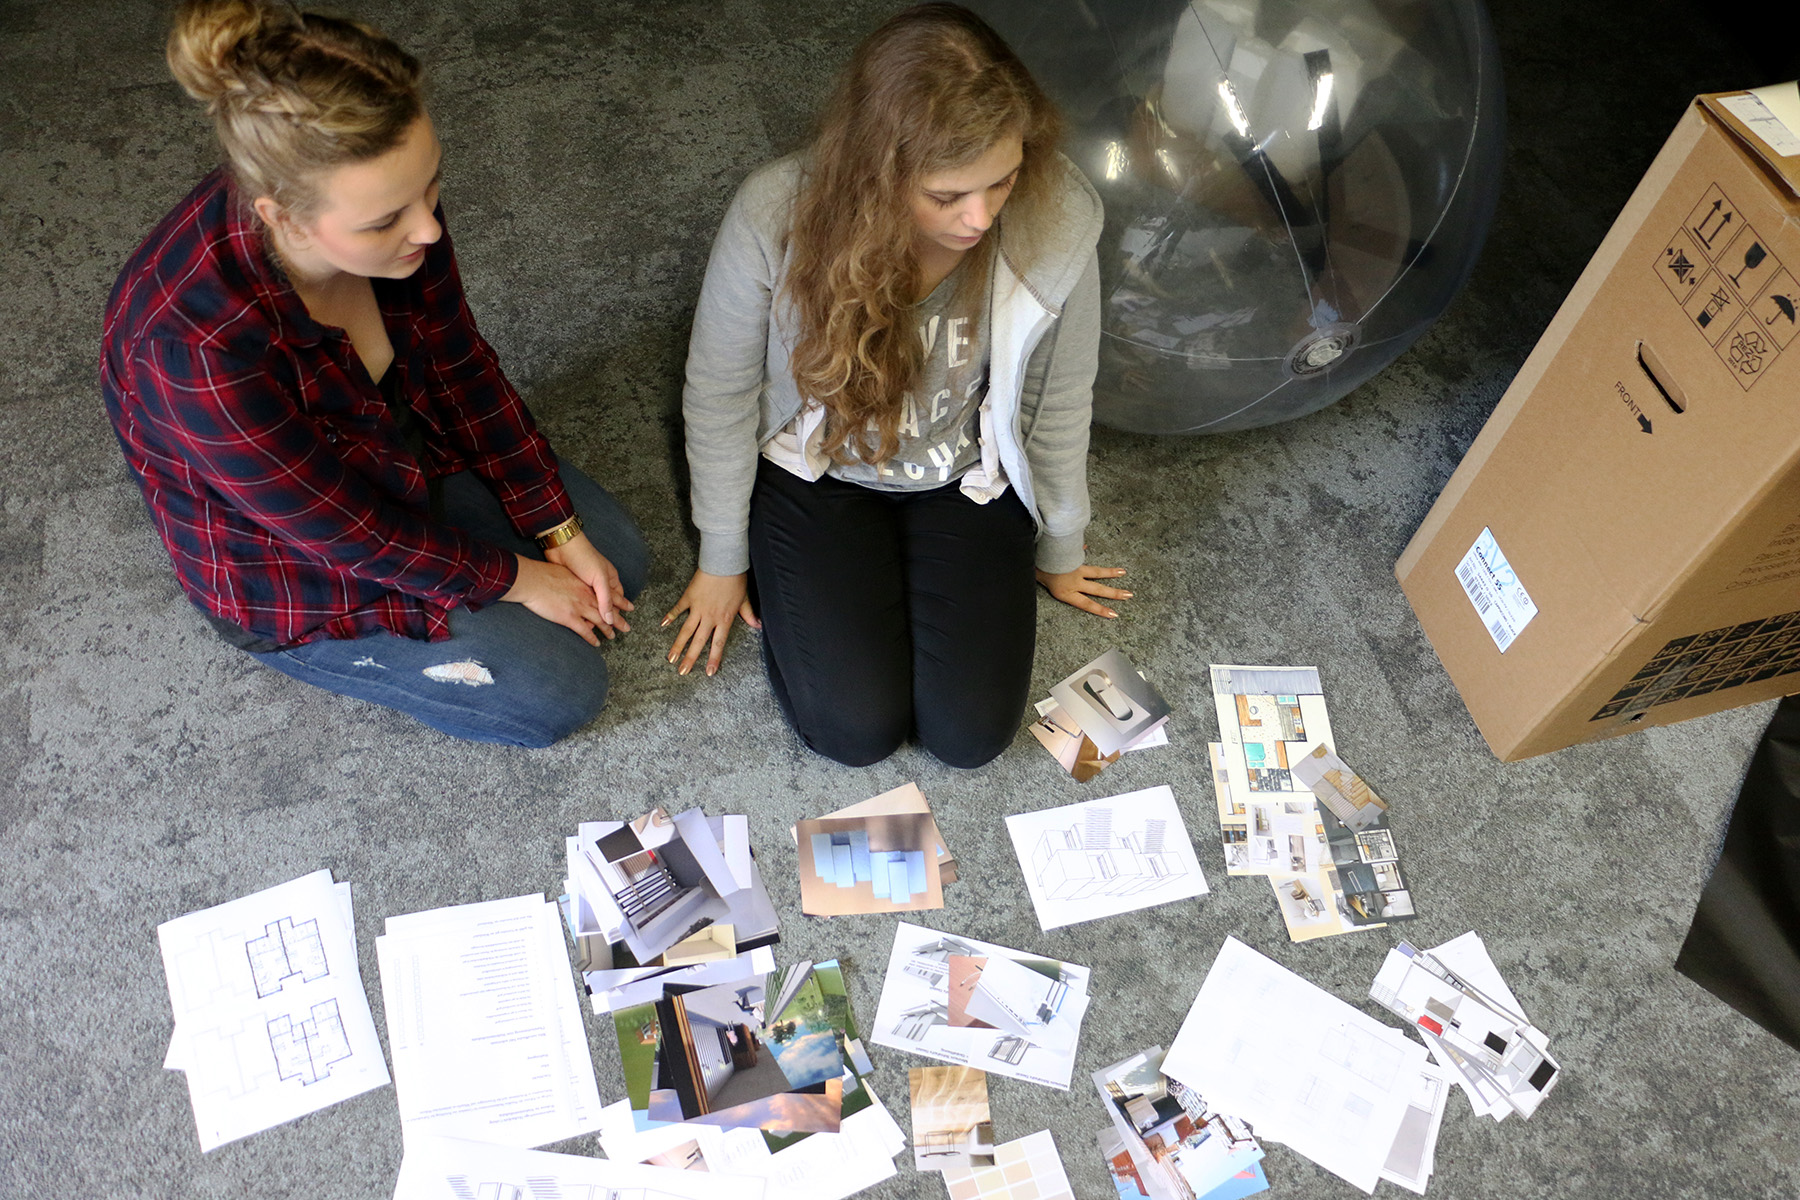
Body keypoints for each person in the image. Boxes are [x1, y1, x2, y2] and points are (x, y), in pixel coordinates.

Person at [101, 0, 647, 748]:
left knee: (620, 560)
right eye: (386, 220)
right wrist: (521, 578)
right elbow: (347, 531)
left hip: (391, 442)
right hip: (297, 553)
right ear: (284, 218)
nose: (427, 228)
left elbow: (459, 365)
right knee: (562, 693)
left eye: (431, 188)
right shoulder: (190, 351)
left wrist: (556, 522)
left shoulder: (393, 217)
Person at [664, 3, 1130, 769]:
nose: (978, 218)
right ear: (875, 174)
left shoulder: (1060, 214)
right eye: (946, 197)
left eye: (1002, 181)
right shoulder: (772, 211)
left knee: (972, 738)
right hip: (816, 471)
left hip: (967, 474)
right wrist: (721, 557)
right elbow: (719, 390)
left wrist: (1061, 543)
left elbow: (1058, 392)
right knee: (855, 732)